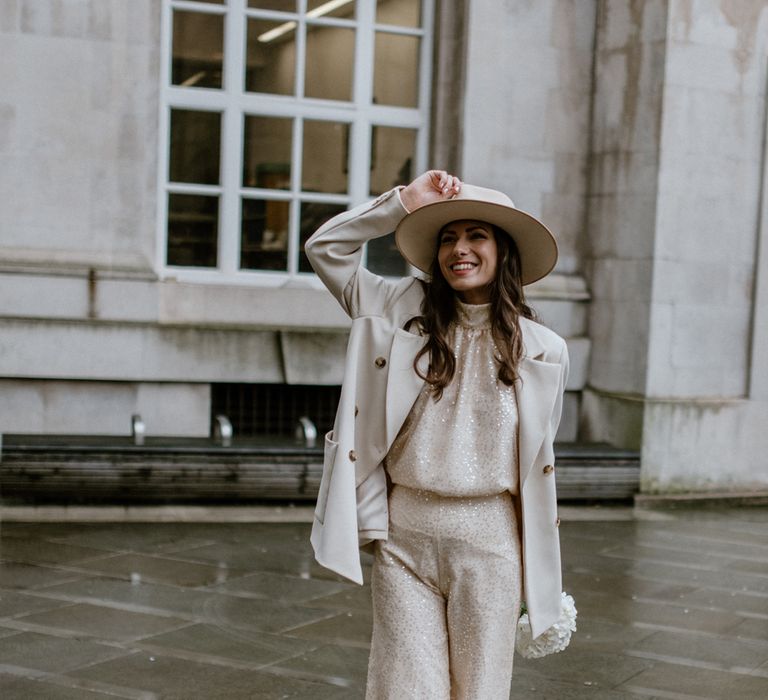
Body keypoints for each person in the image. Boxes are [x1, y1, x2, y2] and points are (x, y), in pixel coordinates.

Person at [305, 170, 569, 699]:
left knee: (478, 692)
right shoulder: (396, 310)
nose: (459, 249)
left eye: (476, 236)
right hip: (405, 539)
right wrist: (403, 202)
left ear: (504, 251)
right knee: (404, 688)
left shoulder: (544, 349)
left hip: (491, 547)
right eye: (448, 237)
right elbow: (326, 248)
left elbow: (536, 466)